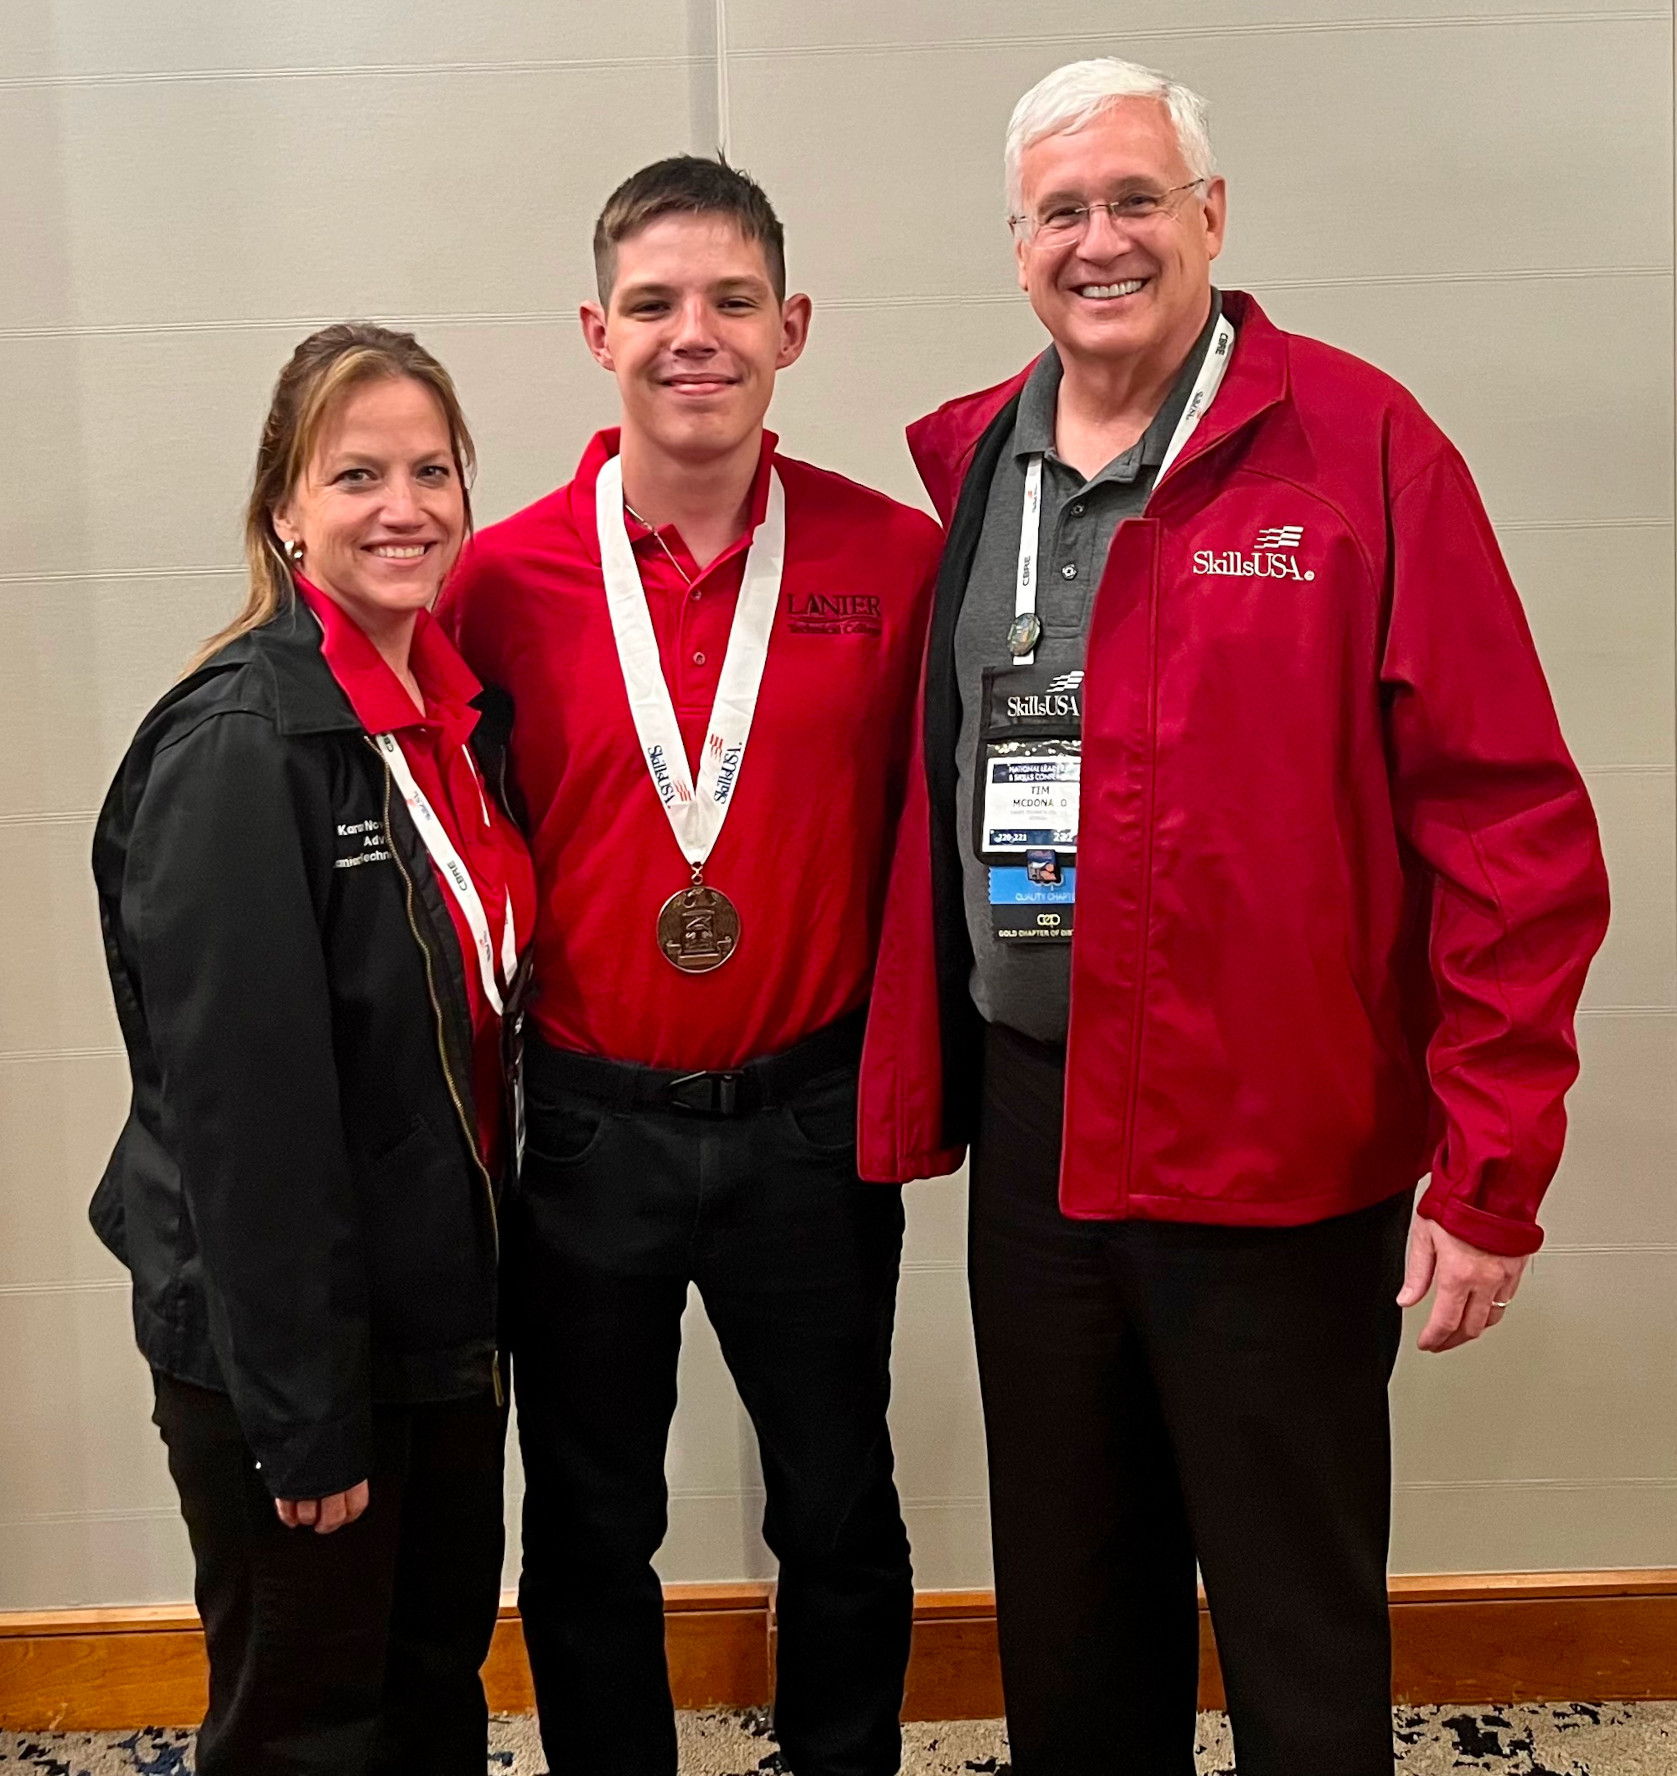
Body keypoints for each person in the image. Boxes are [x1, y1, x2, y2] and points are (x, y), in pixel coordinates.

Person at [856, 58, 1610, 1776]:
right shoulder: (980, 458)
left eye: (1134, 199)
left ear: (1210, 217)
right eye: (1060, 211)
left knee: (1291, 1623)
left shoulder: (1359, 450)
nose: (1098, 238)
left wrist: (1490, 1176)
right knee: (1070, 1615)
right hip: (1040, 1124)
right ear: (1017, 244)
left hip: (1271, 1128)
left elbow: (1509, 826)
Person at [437, 154, 942, 1776]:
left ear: (791, 325)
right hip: (587, 1128)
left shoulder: (894, 561)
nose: (692, 335)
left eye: (731, 301)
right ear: (596, 330)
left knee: (838, 1506)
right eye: (653, 304)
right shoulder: (493, 583)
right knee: (587, 1521)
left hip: (809, 1119)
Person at [90, 324, 536, 1776]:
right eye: (355, 474)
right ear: (285, 509)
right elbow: (244, 1116)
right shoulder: (243, 746)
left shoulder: (448, 721)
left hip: (430, 1325)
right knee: (309, 1733)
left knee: (425, 1698)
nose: (401, 505)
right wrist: (304, 1419)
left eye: (430, 469)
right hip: (295, 1354)